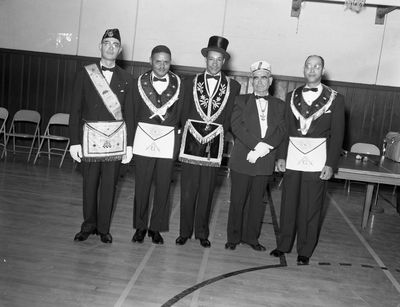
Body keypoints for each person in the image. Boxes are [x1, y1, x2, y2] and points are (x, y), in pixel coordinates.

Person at [270, 55, 345, 264]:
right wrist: (281, 156)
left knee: (311, 206)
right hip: (293, 158)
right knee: (288, 204)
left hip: (318, 160)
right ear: (303, 69)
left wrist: (330, 164)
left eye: (317, 66)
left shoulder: (336, 99)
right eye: (308, 66)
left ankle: (305, 250)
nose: (312, 70)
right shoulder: (291, 95)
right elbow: (285, 130)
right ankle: (283, 245)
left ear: (323, 70)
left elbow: (338, 135)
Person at [69, 28, 134, 244]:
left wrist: (129, 145)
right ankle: (88, 225)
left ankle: (104, 228)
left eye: (115, 44)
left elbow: (130, 115)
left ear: (120, 50)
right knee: (89, 185)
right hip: (89, 141)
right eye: (107, 43)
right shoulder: (84, 73)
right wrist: (74, 142)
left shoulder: (127, 78)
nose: (111, 47)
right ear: (100, 46)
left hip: (114, 142)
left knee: (109, 185)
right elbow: (75, 110)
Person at [177, 36, 241, 248]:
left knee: (207, 190)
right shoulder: (189, 82)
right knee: (187, 189)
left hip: (214, 144)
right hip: (191, 141)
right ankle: (184, 231)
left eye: (219, 59)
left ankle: (202, 232)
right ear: (205, 59)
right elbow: (183, 113)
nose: (214, 63)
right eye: (211, 58)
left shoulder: (234, 86)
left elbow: (231, 117)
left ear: (224, 62)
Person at [225, 61, 286, 252]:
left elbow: (281, 130)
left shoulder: (279, 105)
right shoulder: (240, 101)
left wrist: (262, 150)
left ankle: (251, 237)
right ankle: (233, 237)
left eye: (264, 78)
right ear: (252, 81)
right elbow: (237, 127)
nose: (260, 82)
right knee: (238, 200)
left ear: (271, 81)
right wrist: (256, 145)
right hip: (243, 158)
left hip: (264, 160)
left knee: (256, 202)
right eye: (256, 78)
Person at [131, 45, 185, 245]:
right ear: (150, 61)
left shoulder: (179, 84)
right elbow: (132, 113)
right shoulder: (138, 83)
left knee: (163, 186)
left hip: (167, 141)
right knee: (142, 185)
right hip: (144, 139)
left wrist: (177, 145)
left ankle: (156, 228)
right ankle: (140, 226)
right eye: (158, 61)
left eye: (166, 62)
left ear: (170, 62)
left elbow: (181, 116)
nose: (162, 66)